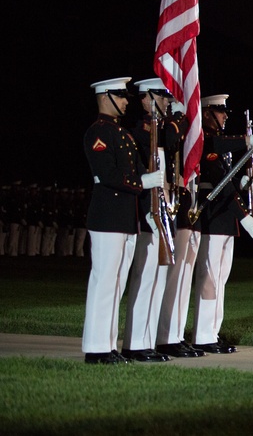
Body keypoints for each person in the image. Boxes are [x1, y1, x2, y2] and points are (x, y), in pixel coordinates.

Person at [81, 77, 164, 364]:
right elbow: (108, 175)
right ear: (106, 97)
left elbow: (137, 169)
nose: (127, 101)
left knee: (116, 283)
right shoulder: (99, 133)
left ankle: (107, 345)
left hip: (125, 219)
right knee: (104, 281)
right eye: (121, 96)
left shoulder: (122, 134)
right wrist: (143, 181)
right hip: (107, 218)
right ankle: (95, 348)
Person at [190, 94, 253, 354]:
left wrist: (245, 185)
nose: (225, 116)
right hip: (213, 218)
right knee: (209, 278)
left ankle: (212, 331)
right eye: (220, 111)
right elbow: (219, 186)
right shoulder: (206, 141)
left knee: (220, 279)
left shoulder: (219, 146)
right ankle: (203, 335)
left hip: (225, 220)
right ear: (207, 113)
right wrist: (243, 215)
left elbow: (228, 183)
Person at [120, 78, 176, 362]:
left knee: (158, 278)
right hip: (148, 213)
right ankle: (135, 343)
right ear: (146, 98)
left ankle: (148, 340)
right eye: (162, 96)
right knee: (145, 278)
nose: (168, 101)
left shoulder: (161, 130)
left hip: (164, 212)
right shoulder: (141, 133)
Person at [156, 98, 205, 358]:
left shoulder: (180, 127)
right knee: (172, 277)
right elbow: (168, 147)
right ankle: (165, 336)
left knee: (183, 278)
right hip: (172, 204)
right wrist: (176, 123)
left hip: (185, 205)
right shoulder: (167, 127)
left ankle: (174, 334)